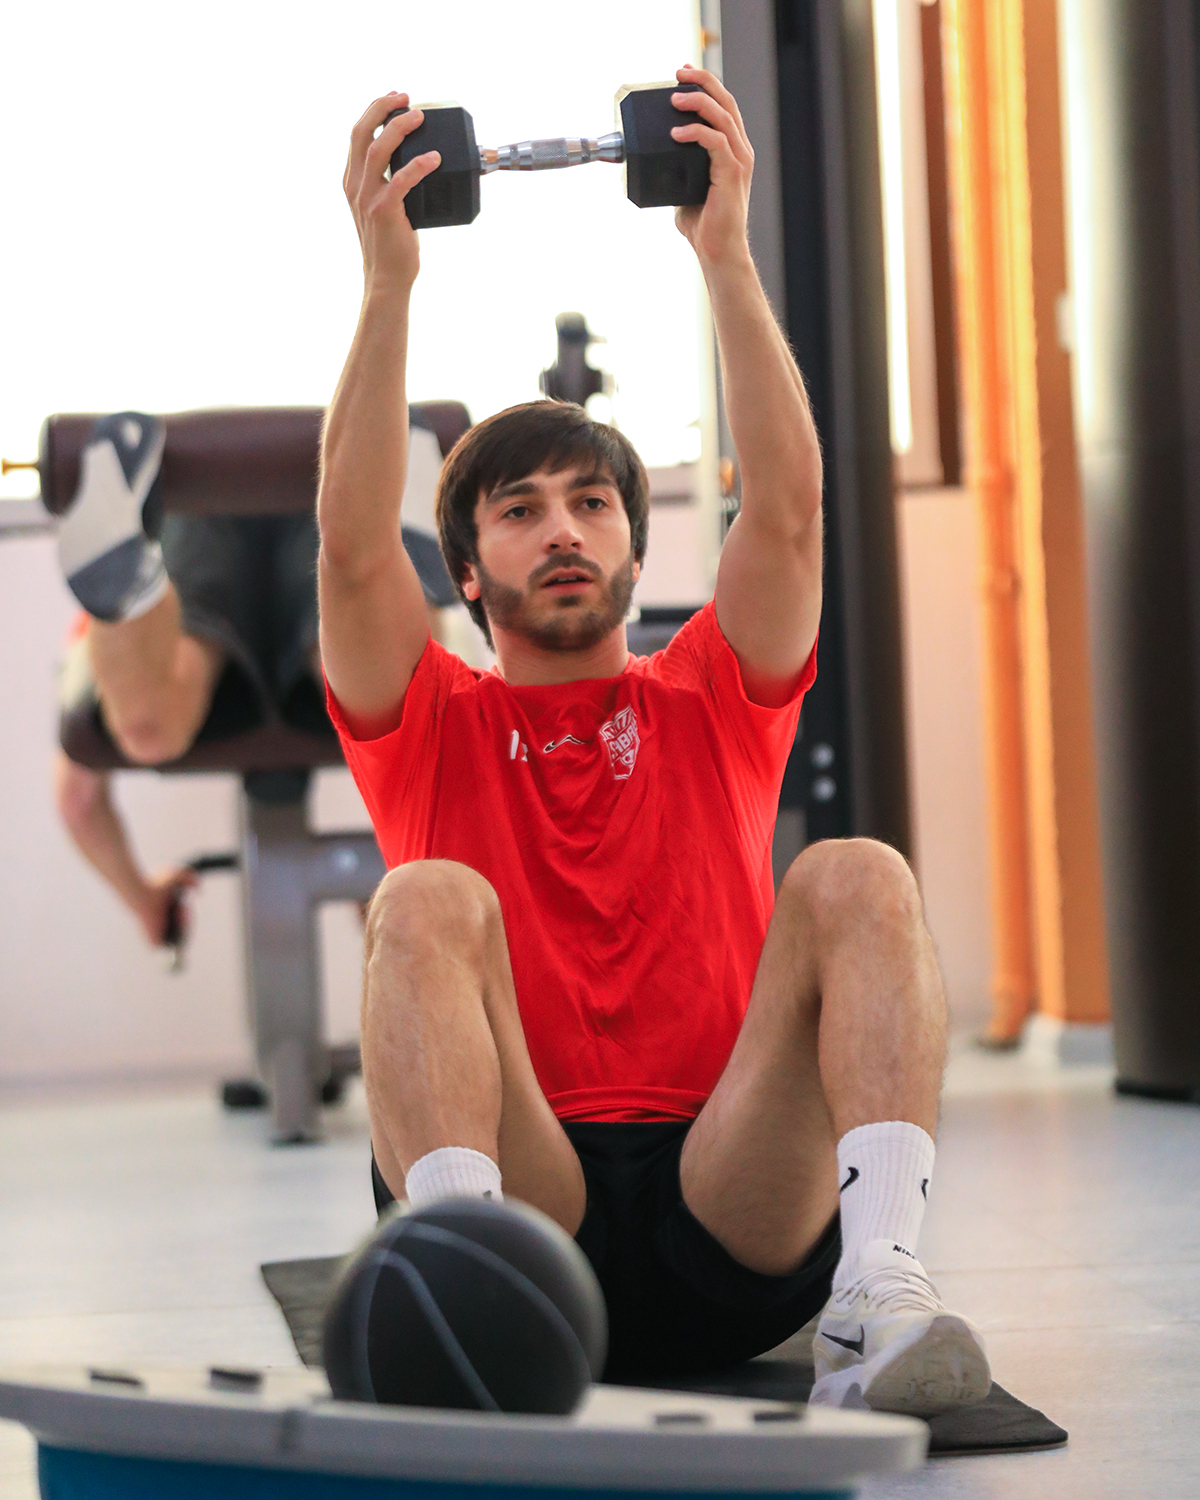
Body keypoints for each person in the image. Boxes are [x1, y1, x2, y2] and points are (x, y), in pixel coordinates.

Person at [318, 69, 992, 1414]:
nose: (564, 530)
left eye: (592, 504)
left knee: (856, 873)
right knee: (422, 897)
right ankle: (461, 1282)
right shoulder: (432, 720)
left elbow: (788, 511)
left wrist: (724, 254)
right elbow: (347, 550)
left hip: (733, 1199)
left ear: (636, 545)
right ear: (468, 572)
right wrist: (388, 285)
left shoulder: (708, 696)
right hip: (528, 1209)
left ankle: (879, 1295)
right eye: (520, 511)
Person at [52, 417, 453, 949]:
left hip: (192, 514)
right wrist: (407, 864)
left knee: (148, 727)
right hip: (333, 497)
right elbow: (462, 761)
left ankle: (135, 587)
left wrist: (143, 900)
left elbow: (79, 798)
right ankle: (399, 553)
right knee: (395, 708)